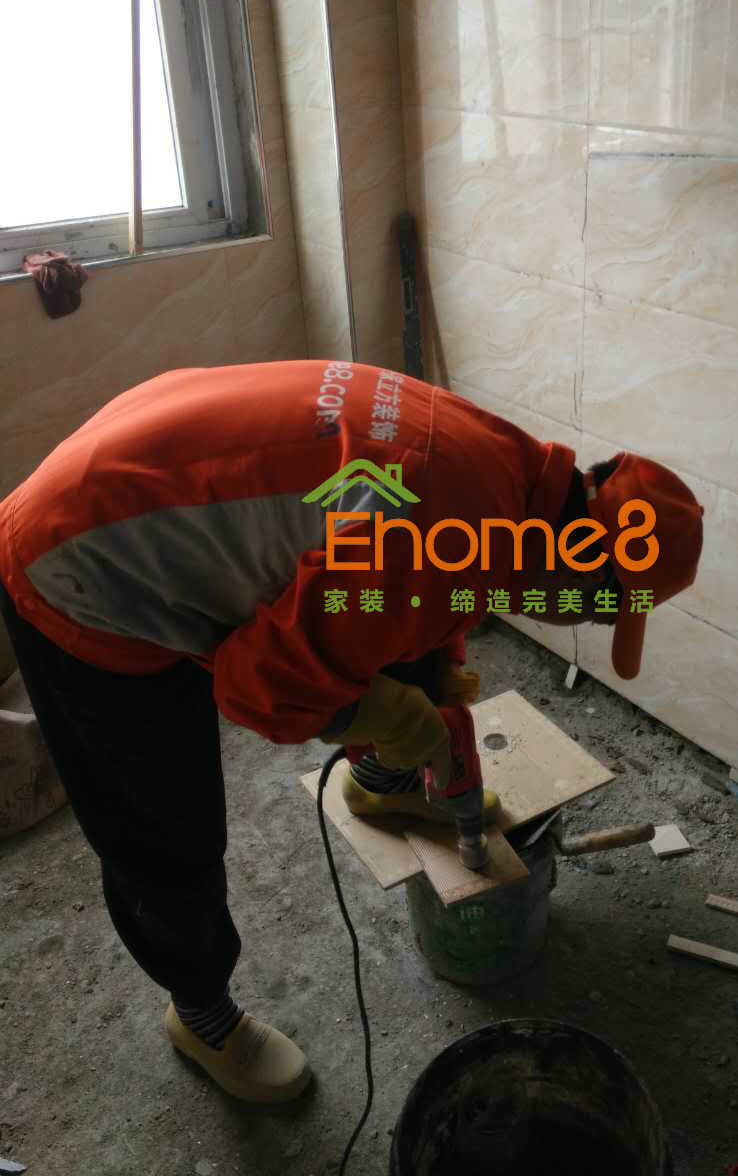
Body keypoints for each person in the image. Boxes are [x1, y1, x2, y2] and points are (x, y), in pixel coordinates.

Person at [0, 360, 702, 1104]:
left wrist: (436, 677)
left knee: (387, 654)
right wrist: (387, 717)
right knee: (164, 819)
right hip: (81, 561)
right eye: (599, 610)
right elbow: (257, 686)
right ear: (581, 564)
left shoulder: (510, 470)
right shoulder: (448, 530)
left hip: (147, 473)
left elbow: (403, 582)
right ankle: (203, 1018)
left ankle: (383, 787)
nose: (581, 621)